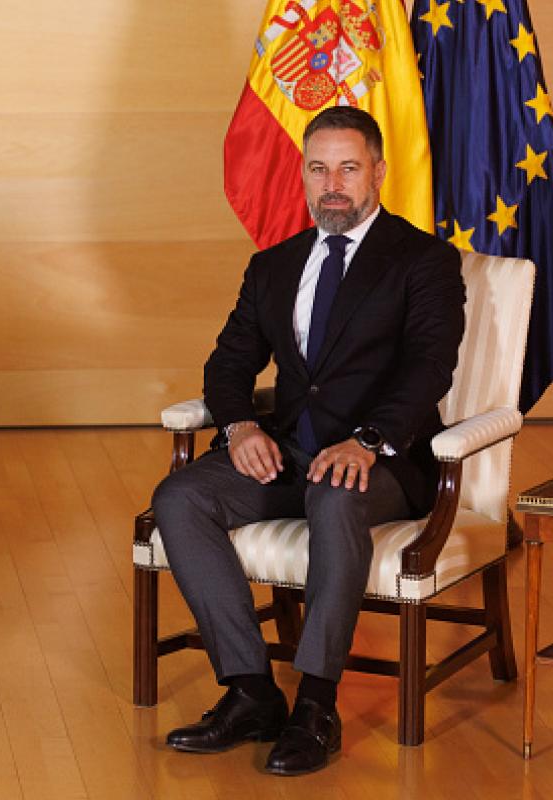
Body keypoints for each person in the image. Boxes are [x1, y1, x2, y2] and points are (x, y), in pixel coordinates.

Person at [152, 106, 465, 776]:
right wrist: (239, 427)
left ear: (378, 172)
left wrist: (368, 440)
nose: (333, 184)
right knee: (179, 498)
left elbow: (429, 366)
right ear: (302, 174)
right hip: (290, 454)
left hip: (383, 462)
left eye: (349, 168)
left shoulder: (423, 260)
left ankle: (317, 705)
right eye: (319, 168)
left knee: (334, 493)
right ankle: (251, 691)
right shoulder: (273, 265)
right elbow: (228, 363)